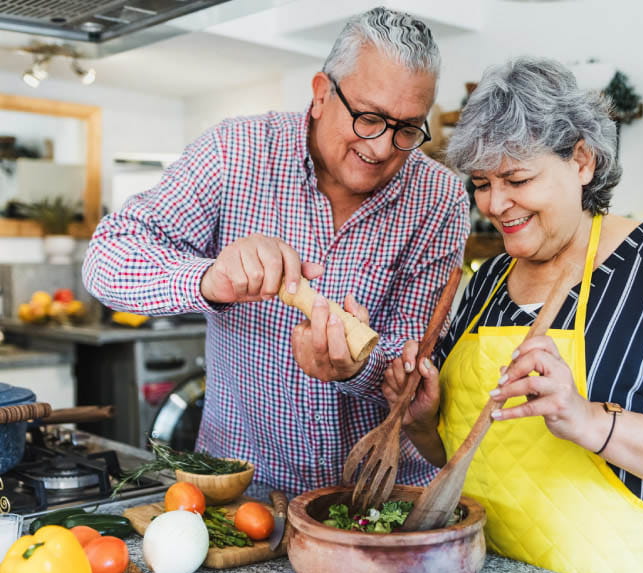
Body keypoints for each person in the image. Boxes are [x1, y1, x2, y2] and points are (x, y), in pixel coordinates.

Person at [383, 57, 643, 573]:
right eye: (482, 183)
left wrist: (589, 421)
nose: (494, 203)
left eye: (517, 178)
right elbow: (472, 459)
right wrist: (423, 423)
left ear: (581, 160)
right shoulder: (487, 282)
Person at [82, 7, 470, 496]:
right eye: (369, 118)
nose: (382, 148)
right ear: (321, 94)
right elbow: (107, 259)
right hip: (242, 493)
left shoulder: (438, 198)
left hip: (378, 496)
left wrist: (358, 368)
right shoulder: (236, 151)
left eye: (408, 129)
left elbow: (412, 361)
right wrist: (211, 280)